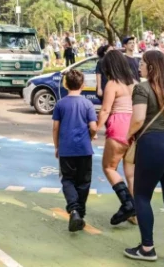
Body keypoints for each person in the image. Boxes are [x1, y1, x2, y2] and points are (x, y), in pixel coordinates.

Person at [123, 51, 164, 266]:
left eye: (142, 63)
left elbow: (138, 118)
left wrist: (127, 136)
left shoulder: (142, 88)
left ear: (150, 67)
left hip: (153, 144)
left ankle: (147, 247)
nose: (139, 66)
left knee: (141, 196)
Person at [92, 51, 137, 225]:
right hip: (134, 129)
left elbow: (105, 110)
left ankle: (127, 203)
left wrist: (94, 129)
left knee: (109, 167)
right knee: (131, 174)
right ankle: (136, 213)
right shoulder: (133, 83)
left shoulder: (112, 84)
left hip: (118, 128)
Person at [52, 69, 98, 232]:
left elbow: (56, 127)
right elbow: (93, 126)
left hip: (66, 149)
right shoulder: (88, 104)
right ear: (83, 85)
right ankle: (80, 211)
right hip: (84, 149)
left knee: (67, 179)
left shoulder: (61, 103)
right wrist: (92, 135)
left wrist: (57, 146)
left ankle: (73, 209)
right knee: (84, 181)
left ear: (65, 84)